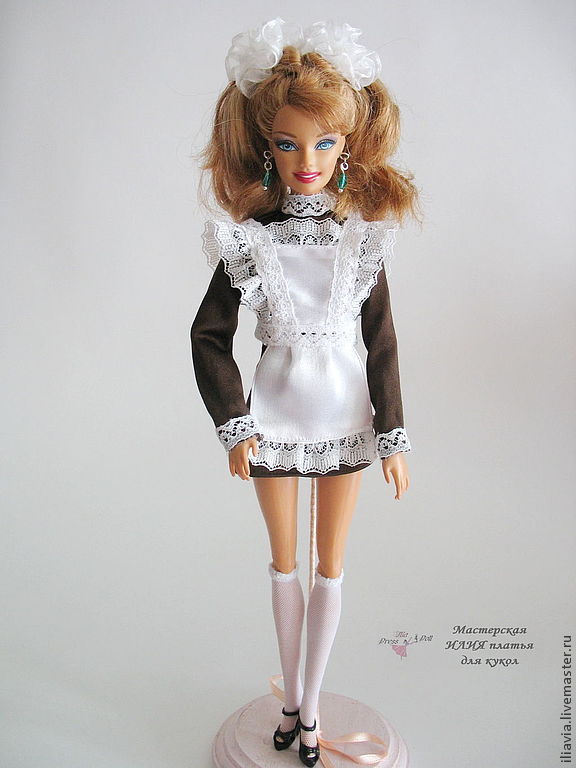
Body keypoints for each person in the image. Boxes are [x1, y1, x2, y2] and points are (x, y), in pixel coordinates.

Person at [190, 18, 420, 766]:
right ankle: (289, 700)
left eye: (323, 144)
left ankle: (313, 709)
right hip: (272, 421)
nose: (307, 161)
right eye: (289, 145)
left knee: (331, 567)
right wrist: (234, 422)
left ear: (347, 147)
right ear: (268, 149)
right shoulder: (252, 240)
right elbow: (208, 336)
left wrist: (393, 435)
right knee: (282, 564)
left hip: (348, 421)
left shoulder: (360, 242)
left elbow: (382, 344)